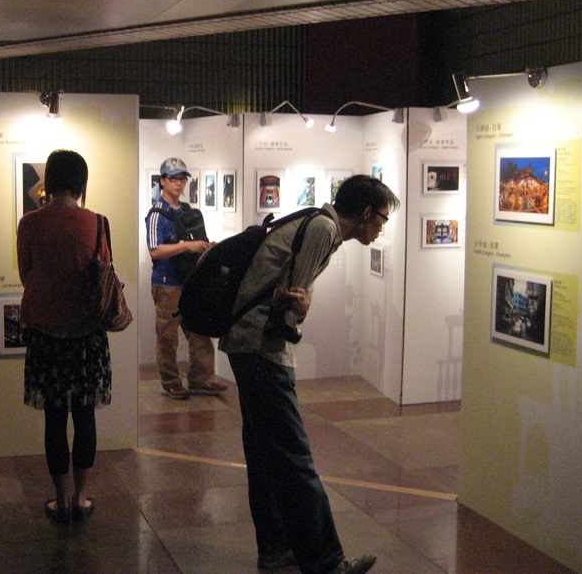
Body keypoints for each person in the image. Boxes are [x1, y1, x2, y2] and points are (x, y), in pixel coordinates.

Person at [219, 174, 399, 574]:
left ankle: (275, 548)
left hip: (245, 343)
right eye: (382, 218)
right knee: (295, 457)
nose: (382, 227)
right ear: (366, 213)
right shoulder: (324, 228)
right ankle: (326, 562)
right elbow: (291, 301)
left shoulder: (317, 223)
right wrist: (299, 309)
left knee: (265, 454)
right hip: (262, 349)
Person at [17, 149, 112, 523]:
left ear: (50, 181)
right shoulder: (97, 223)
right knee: (85, 416)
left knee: (54, 420)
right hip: (87, 336)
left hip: (45, 335)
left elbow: (26, 275)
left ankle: (60, 499)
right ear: (81, 182)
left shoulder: (30, 223)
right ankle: (82, 497)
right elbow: (103, 275)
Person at [147, 157, 228, 400]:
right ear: (162, 181)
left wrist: (204, 247)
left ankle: (201, 379)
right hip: (167, 282)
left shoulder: (189, 212)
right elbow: (154, 250)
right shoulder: (156, 214)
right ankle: (171, 381)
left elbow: (194, 243)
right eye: (174, 178)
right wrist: (186, 246)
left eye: (182, 178)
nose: (179, 183)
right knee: (168, 336)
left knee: (200, 330)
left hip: (190, 281)